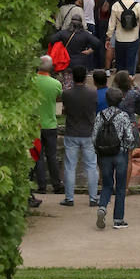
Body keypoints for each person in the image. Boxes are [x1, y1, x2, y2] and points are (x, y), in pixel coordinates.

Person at [93, 86, 138, 229]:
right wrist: (125, 147)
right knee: (120, 187)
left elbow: (94, 137)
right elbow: (130, 138)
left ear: (106, 100)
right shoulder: (123, 116)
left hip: (104, 154)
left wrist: (98, 150)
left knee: (106, 184)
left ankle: (102, 206)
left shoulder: (100, 115)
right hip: (120, 154)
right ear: (121, 100)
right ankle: (118, 219)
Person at [60, 67, 100, 208]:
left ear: (73, 77)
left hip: (72, 132)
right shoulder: (93, 94)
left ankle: (69, 198)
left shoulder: (67, 94)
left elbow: (65, 110)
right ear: (85, 78)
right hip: (88, 132)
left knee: (70, 166)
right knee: (91, 166)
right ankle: (93, 198)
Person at [32, 55, 63, 195]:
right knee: (52, 155)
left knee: (37, 156)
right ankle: (56, 184)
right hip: (50, 124)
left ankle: (41, 185)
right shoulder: (56, 84)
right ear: (51, 67)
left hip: (34, 124)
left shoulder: (31, 82)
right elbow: (58, 98)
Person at [108, 0, 140, 75]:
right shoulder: (137, 6)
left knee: (120, 63)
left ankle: (121, 81)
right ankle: (130, 80)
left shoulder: (116, 5)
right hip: (133, 38)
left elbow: (111, 24)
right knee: (131, 61)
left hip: (119, 38)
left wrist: (108, 37)